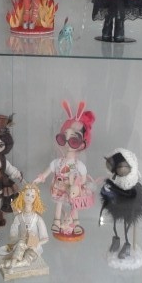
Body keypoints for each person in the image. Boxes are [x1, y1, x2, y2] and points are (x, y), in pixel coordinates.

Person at [34, 101, 95, 239]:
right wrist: (41, 177)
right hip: (59, 186)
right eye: (63, 138)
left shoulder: (79, 165)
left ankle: (76, 222)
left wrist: (79, 185)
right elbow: (48, 170)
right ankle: (57, 221)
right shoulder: (58, 162)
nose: (67, 144)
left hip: (72, 188)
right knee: (59, 203)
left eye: (73, 141)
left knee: (74, 205)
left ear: (82, 144)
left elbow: (83, 178)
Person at [0, 183, 48, 272]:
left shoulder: (37, 218)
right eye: (27, 194)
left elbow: (45, 238)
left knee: (27, 260)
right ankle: (10, 266)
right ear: (22, 195)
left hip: (33, 243)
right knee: (19, 247)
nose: (29, 198)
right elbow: (14, 229)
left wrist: (37, 244)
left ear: (35, 199)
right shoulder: (19, 216)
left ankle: (5, 265)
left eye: (32, 196)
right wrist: (13, 241)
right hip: (22, 241)